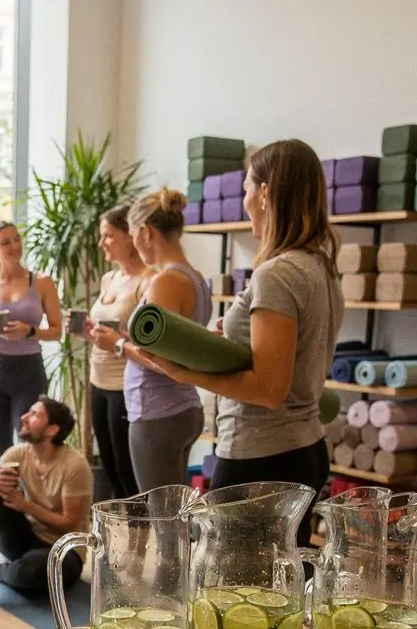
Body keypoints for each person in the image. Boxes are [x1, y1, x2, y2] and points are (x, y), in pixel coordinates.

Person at [139, 141, 342, 534]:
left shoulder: (278, 275)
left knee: (238, 593)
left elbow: (268, 389)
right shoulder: (320, 267)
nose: (244, 199)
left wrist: (185, 374)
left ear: (265, 193)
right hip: (302, 449)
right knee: (278, 588)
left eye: (247, 188)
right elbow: (288, 359)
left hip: (261, 460)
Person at [92, 189, 211, 493]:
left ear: (144, 232)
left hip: (157, 412)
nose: (132, 242)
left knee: (162, 519)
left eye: (131, 234)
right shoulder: (195, 277)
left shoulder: (165, 282)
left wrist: (118, 345)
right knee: (173, 515)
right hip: (179, 408)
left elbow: (163, 362)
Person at [0, 395, 91, 613]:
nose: (24, 417)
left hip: (64, 550)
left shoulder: (74, 465)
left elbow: (69, 524)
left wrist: (26, 506)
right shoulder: (18, 454)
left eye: (34, 414)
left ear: (52, 430)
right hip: (25, 538)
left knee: (31, 573)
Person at [0, 220, 62, 465]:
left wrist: (29, 331)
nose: (14, 246)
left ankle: (29, 502)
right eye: (6, 242)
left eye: (17, 239)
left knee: (28, 446)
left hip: (28, 371)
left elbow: (56, 331)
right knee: (0, 450)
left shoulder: (42, 282)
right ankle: (1, 502)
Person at [79, 204, 152, 498]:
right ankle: (122, 536)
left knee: (126, 469)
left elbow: (147, 342)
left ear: (129, 236)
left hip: (126, 386)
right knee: (109, 467)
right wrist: (91, 331)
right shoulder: (109, 278)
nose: (102, 243)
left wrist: (116, 339)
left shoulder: (148, 280)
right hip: (99, 383)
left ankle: (140, 535)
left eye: (108, 236)